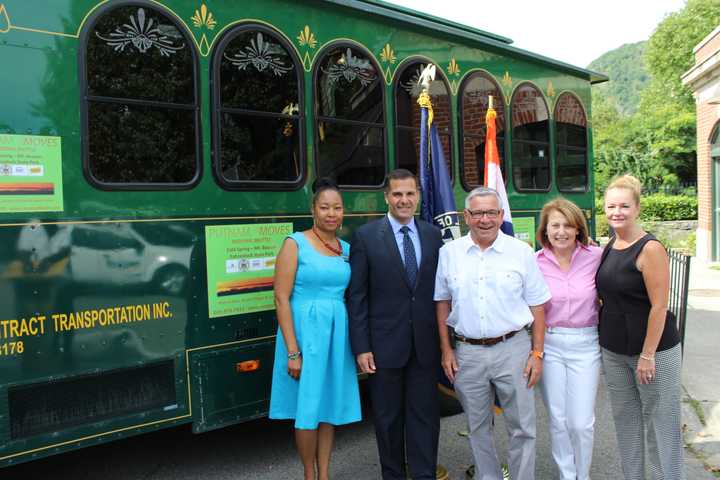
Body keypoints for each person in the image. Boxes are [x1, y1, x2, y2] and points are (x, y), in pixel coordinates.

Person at [435, 186, 551, 480]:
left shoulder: (522, 252)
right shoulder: (449, 253)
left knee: (522, 427)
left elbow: (538, 307)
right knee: (477, 427)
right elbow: (442, 303)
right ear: (466, 216)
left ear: (501, 215)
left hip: (514, 349)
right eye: (477, 213)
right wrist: (447, 350)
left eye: (491, 213)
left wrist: (537, 353)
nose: (484, 219)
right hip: (468, 353)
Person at [347, 168, 444, 480]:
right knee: (388, 419)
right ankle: (393, 474)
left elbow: (441, 291)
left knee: (425, 417)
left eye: (410, 193)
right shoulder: (365, 237)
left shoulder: (432, 235)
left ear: (417, 196)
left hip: (425, 345)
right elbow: (357, 296)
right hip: (383, 346)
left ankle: (424, 474)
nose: (404, 200)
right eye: (398, 194)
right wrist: (361, 347)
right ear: (386, 197)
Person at [269, 178, 361, 480]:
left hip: (335, 335)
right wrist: (292, 352)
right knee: (307, 410)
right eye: (325, 207)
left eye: (337, 208)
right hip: (305, 336)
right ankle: (309, 474)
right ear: (313, 209)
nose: (331, 213)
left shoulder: (346, 249)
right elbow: (281, 299)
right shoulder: (294, 243)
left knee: (328, 409)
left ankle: (325, 475)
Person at [596, 175, 684, 480]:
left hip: (653, 352)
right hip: (615, 351)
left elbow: (659, 306)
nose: (616, 212)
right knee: (626, 422)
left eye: (624, 206)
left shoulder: (650, 248)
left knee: (661, 423)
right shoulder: (610, 244)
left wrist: (648, 355)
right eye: (611, 206)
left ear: (637, 208)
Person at [535, 198, 602, 480]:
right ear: (545, 230)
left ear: (578, 229)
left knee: (581, 423)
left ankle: (582, 474)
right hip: (550, 344)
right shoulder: (534, 261)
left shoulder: (596, 256)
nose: (560, 232)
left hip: (586, 344)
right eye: (555, 225)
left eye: (567, 226)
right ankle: (566, 474)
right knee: (558, 420)